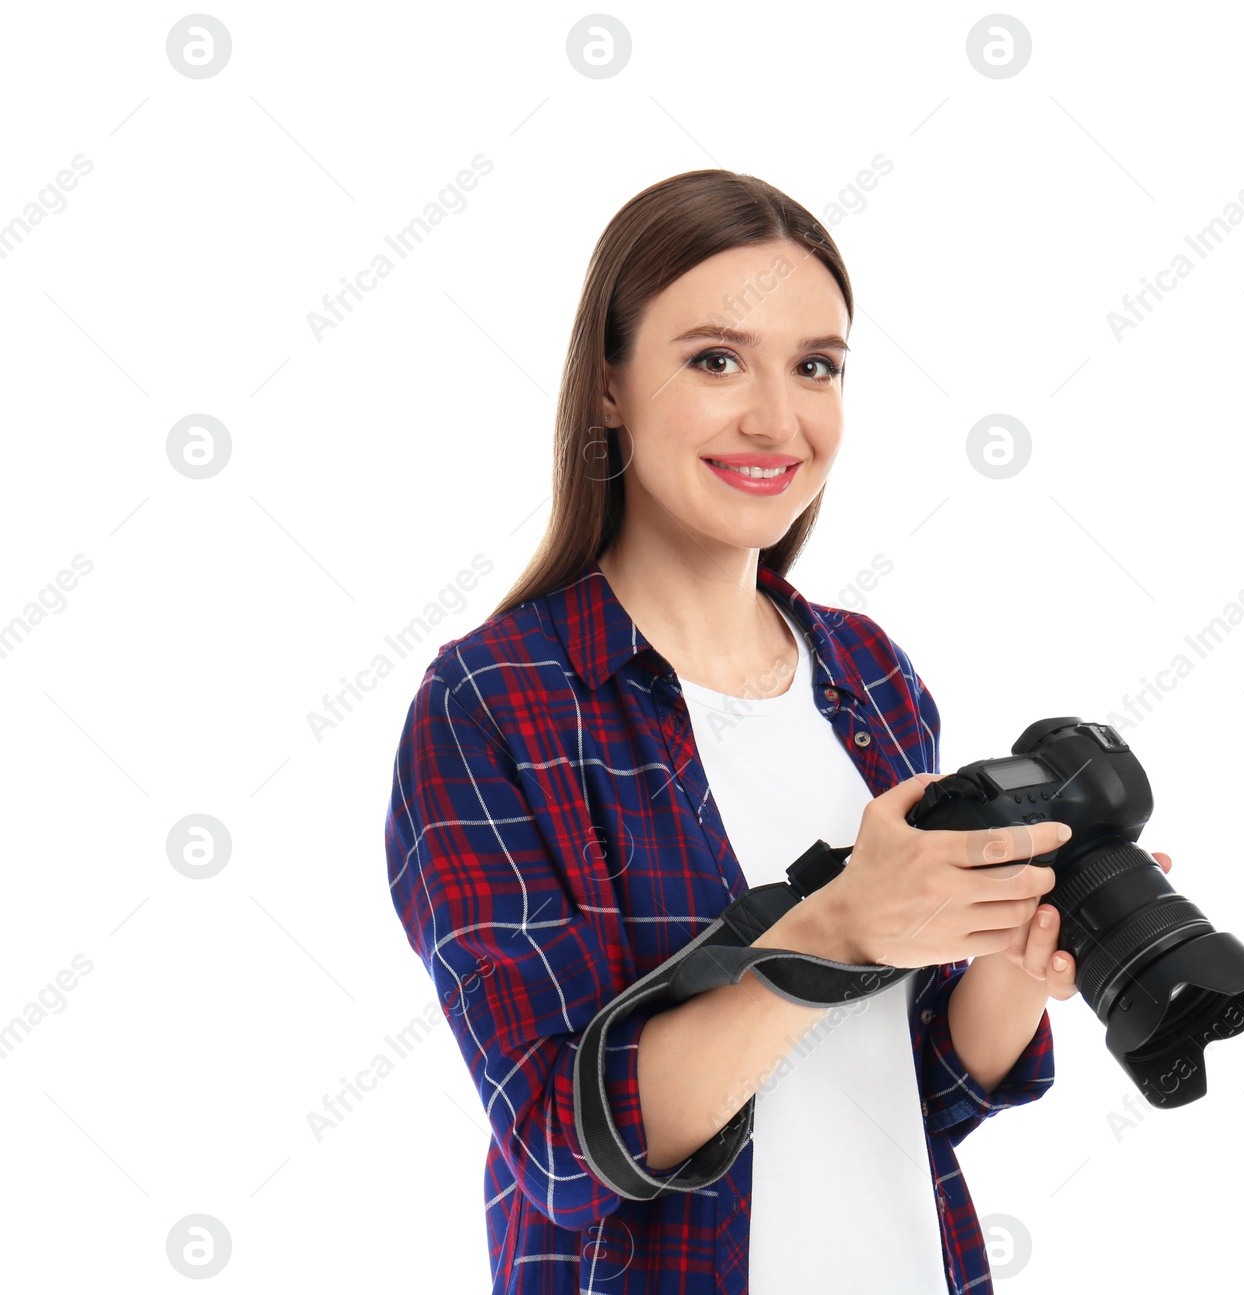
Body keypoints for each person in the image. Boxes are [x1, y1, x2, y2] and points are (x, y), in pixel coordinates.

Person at [383, 168, 1169, 1294]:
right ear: (608, 386)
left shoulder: (868, 674)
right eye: (715, 359)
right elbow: (562, 1142)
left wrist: (1014, 946)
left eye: (816, 366)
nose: (776, 418)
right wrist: (836, 933)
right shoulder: (496, 702)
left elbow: (916, 1093)